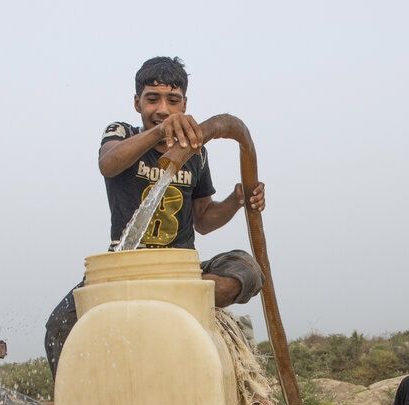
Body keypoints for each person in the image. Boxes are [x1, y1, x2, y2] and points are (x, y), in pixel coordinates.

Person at [45, 56, 266, 377]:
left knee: (246, 269)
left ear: (184, 104)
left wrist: (236, 200)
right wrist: (158, 132)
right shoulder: (120, 132)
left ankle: (170, 296)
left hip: (182, 272)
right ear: (137, 103)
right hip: (125, 270)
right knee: (59, 326)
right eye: (152, 99)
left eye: (172, 101)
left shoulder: (197, 153)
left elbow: (204, 220)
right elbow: (108, 163)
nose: (162, 109)